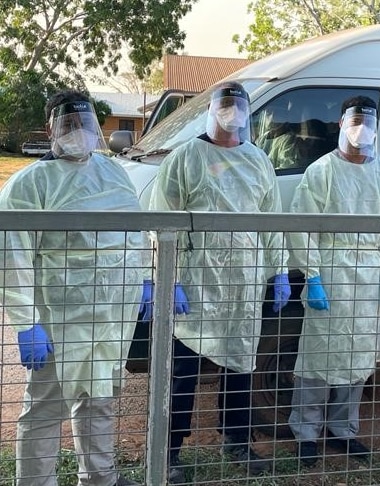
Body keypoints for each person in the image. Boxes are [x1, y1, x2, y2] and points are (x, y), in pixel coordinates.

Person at [0, 89, 147, 486]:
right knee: (46, 410)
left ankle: (100, 478)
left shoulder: (114, 171)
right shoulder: (30, 184)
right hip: (60, 319)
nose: (78, 131)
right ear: (51, 128)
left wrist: (146, 278)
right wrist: (26, 321)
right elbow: (12, 257)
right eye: (68, 123)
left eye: (84, 123)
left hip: (110, 315)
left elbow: (133, 233)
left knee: (99, 400)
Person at [147, 81, 291, 482]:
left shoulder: (258, 160)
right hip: (196, 281)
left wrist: (278, 270)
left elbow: (272, 222)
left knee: (241, 364)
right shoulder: (185, 158)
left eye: (238, 107)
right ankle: (170, 450)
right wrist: (166, 277)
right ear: (210, 111)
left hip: (244, 281)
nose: (231, 114)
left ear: (248, 113)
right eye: (224, 106)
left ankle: (237, 439)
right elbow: (162, 220)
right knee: (183, 371)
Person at [287, 95, 380, 467]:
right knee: (317, 358)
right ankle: (306, 434)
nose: (361, 130)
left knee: (358, 357)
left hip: (370, 272)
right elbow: (303, 227)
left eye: (368, 123)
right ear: (341, 123)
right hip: (331, 270)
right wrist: (313, 276)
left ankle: (344, 430)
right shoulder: (321, 171)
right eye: (355, 122)